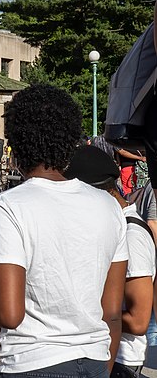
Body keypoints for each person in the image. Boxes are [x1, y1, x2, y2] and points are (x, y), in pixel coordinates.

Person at [0, 84, 129, 377]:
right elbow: (112, 312)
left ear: (18, 141)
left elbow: (8, 314)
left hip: (31, 361)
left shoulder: (8, 205)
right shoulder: (109, 206)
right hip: (95, 359)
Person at [66, 145, 155, 378]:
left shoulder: (131, 235)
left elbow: (139, 320)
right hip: (102, 351)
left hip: (121, 360)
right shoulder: (111, 226)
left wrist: (81, 312)